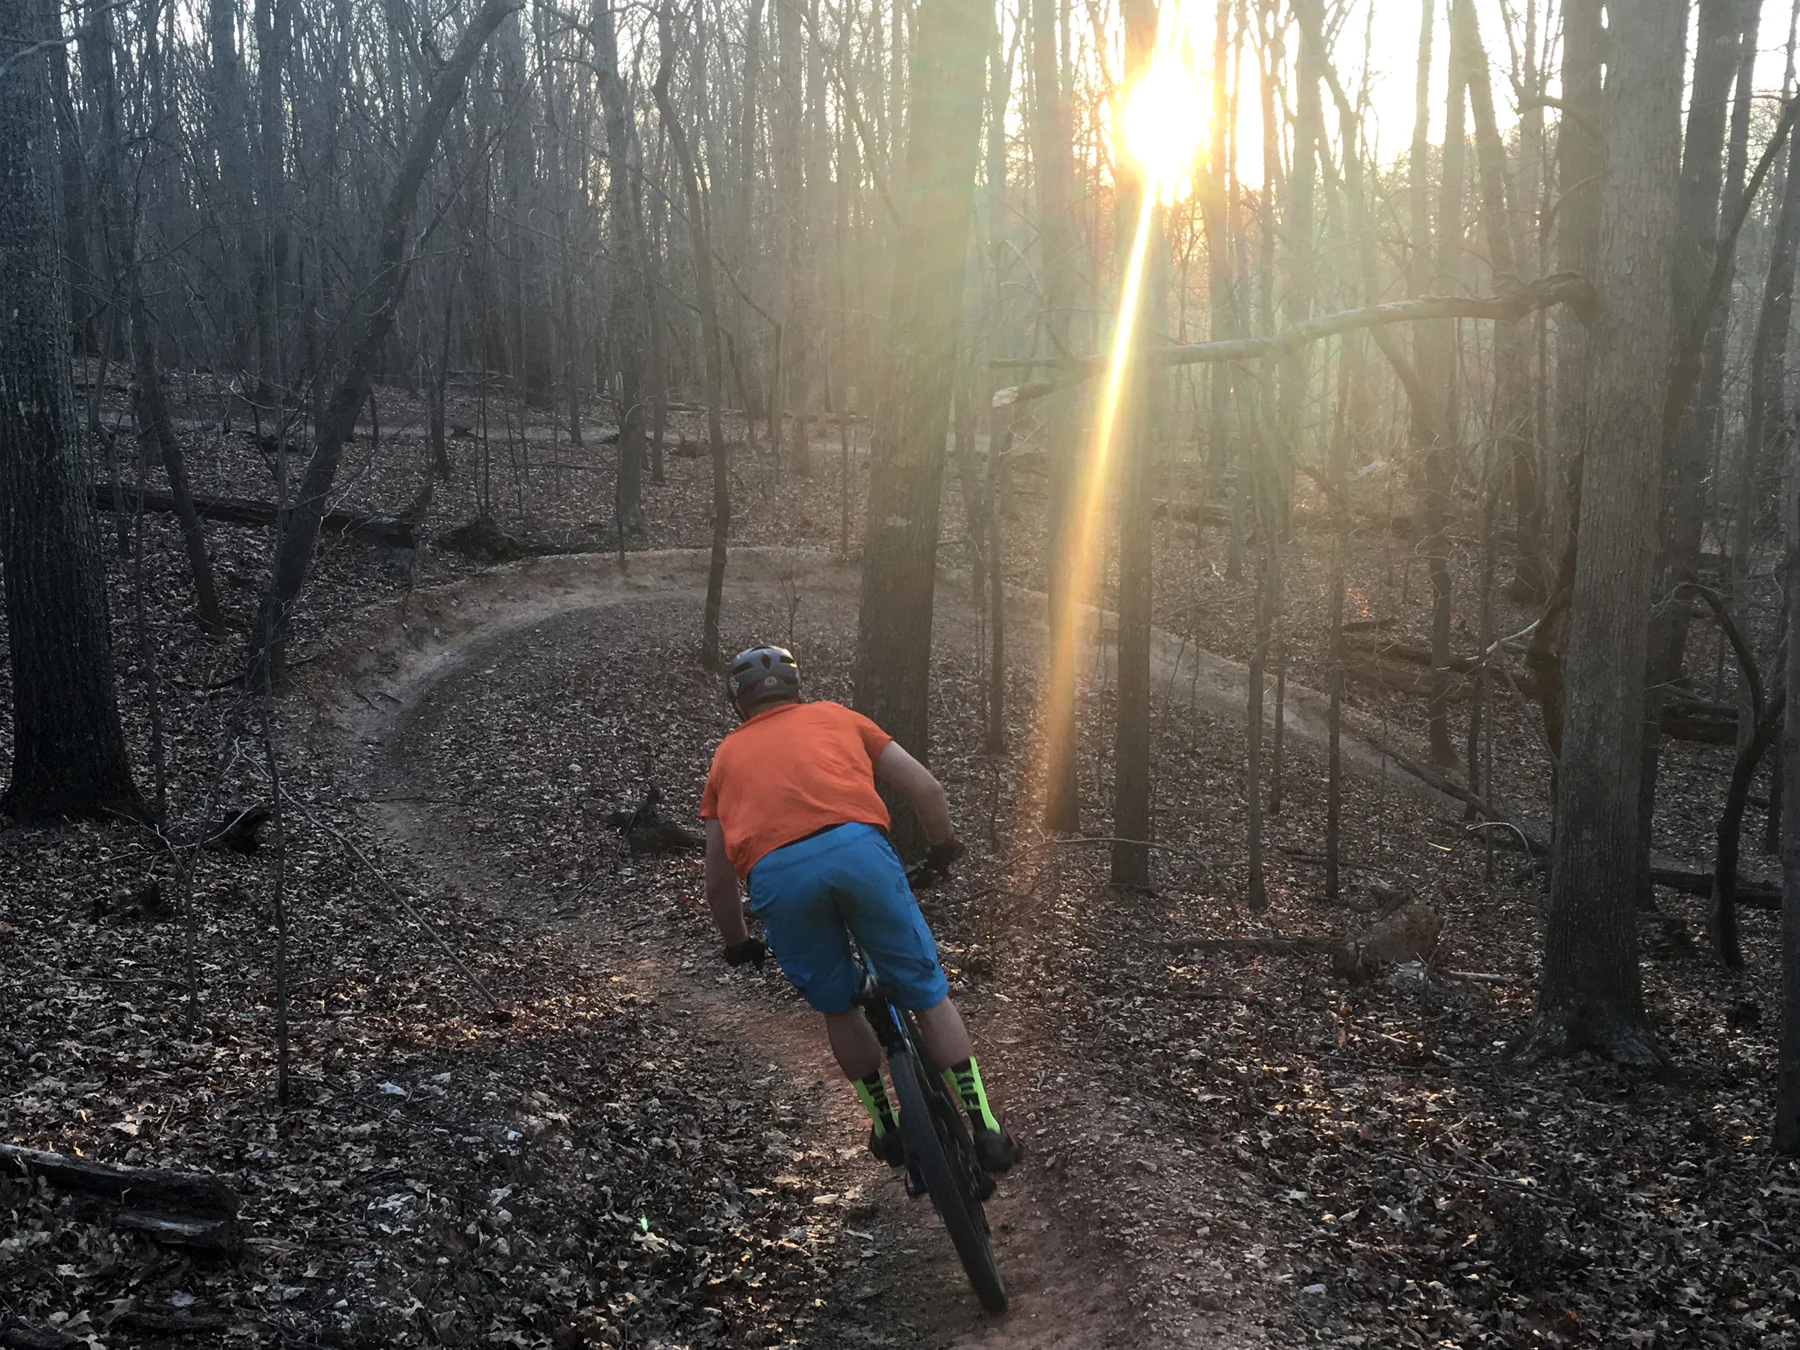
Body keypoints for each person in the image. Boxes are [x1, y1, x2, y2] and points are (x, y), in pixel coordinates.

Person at [699, 645, 1022, 1174]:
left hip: (779, 877)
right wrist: (942, 849)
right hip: (859, 856)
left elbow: (717, 880)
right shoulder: (836, 717)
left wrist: (736, 944)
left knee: (838, 1006)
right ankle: (985, 1127)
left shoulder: (725, 760)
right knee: (927, 992)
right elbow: (926, 788)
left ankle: (886, 1125)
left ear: (739, 705)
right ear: (797, 689)